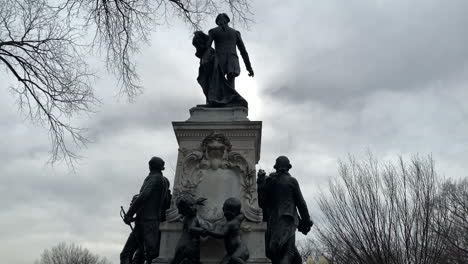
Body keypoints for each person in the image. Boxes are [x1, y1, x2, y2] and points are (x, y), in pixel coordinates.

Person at [257, 156, 313, 264]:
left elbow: (262, 201)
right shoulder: (291, 181)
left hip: (272, 221)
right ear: (288, 167)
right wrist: (306, 221)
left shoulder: (270, 182)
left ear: (276, 167)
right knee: (288, 254)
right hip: (287, 220)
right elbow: (301, 203)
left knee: (294, 258)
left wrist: (261, 182)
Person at [121, 157, 171, 264]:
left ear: (150, 166)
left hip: (146, 222)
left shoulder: (154, 178)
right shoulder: (163, 181)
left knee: (129, 254)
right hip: (150, 221)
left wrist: (129, 214)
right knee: (147, 254)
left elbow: (144, 196)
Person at [204, 198, 249, 264]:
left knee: (235, 258)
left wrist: (208, 232)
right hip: (232, 252)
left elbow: (221, 234)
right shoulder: (238, 218)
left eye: (224, 209)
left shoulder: (231, 224)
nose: (223, 211)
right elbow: (242, 214)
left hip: (240, 250)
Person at [169, 196, 206, 264]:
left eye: (193, 205)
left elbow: (187, 205)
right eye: (191, 206)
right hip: (189, 245)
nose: (194, 208)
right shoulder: (192, 218)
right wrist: (203, 230)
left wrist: (195, 202)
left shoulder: (187, 216)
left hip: (184, 245)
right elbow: (191, 228)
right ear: (186, 210)